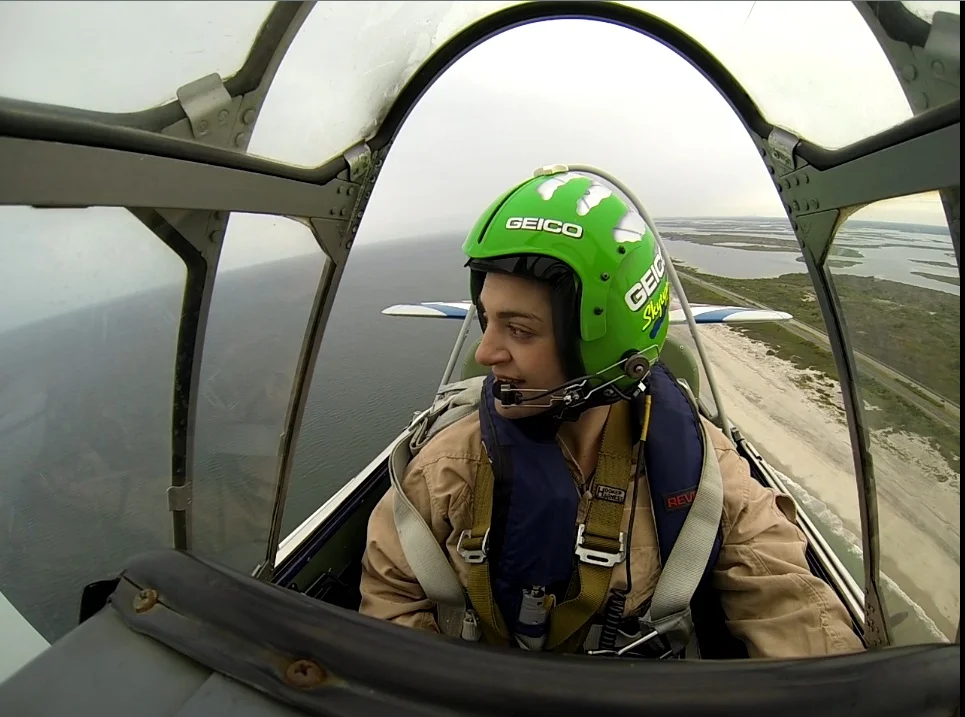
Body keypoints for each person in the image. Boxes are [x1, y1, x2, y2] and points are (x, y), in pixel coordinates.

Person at [359, 166, 864, 658]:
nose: (486, 353)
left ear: (604, 346)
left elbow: (790, 602)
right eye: (487, 320)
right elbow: (391, 598)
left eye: (520, 330)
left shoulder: (705, 473)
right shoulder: (448, 464)